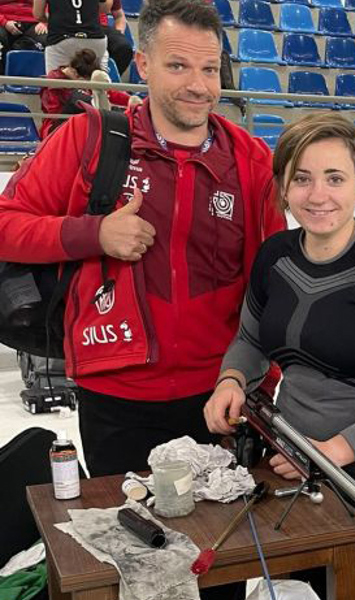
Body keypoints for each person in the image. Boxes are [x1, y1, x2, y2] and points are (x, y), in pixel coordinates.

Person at [0, 0, 286, 479]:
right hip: (116, 397)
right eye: (178, 66)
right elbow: (6, 225)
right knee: (135, 542)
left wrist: (263, 383)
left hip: (221, 395)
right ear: (143, 64)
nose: (198, 85)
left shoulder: (251, 160)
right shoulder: (86, 139)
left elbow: (272, 285)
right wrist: (93, 233)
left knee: (223, 550)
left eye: (209, 68)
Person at [203, 112, 355, 600]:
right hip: (291, 461)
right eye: (302, 179)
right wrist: (231, 380)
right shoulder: (275, 257)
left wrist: (330, 453)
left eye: (335, 178)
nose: (318, 195)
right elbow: (251, 339)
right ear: (283, 189)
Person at [39, 47, 140, 138]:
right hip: (56, 127)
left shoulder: (85, 79)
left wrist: (129, 100)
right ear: (74, 73)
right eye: (86, 81)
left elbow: (109, 92)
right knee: (75, 99)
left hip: (83, 123)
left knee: (106, 106)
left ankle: (105, 110)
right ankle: (97, 108)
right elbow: (54, 113)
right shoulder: (52, 82)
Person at [32, 0, 109, 72]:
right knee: (93, 79)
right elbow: (104, 9)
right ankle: (99, 76)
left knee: (57, 82)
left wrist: (52, 21)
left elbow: (38, 14)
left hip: (62, 38)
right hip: (95, 37)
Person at [0, 0, 46, 73]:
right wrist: (3, 22)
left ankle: (41, 80)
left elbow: (52, 5)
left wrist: (45, 21)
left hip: (33, 22)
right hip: (4, 21)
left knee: (46, 39)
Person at [100, 0, 131, 76]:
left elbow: (119, 16)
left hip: (100, 28)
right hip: (73, 27)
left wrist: (118, 33)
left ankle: (110, 81)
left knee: (123, 47)